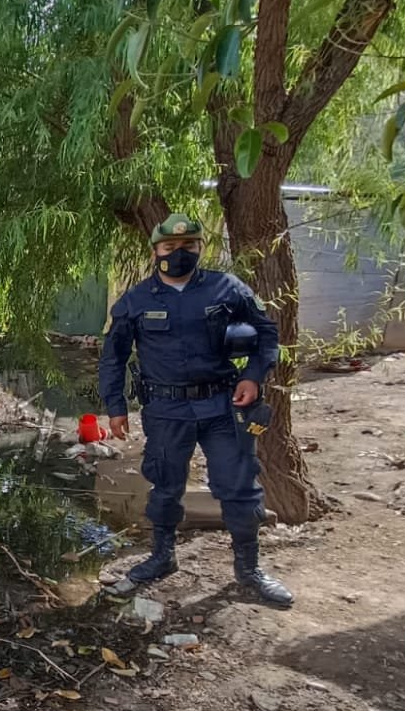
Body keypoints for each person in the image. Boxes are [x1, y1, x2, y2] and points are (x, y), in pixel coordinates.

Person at [98, 215, 293, 606]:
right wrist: (115, 407)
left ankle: (249, 571)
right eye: (170, 248)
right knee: (165, 487)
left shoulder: (227, 288)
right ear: (156, 251)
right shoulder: (136, 300)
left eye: (188, 246)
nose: (179, 253)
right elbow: (113, 357)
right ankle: (161, 557)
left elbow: (267, 333)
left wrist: (254, 376)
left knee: (238, 487)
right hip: (165, 409)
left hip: (222, 405)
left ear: (201, 248)